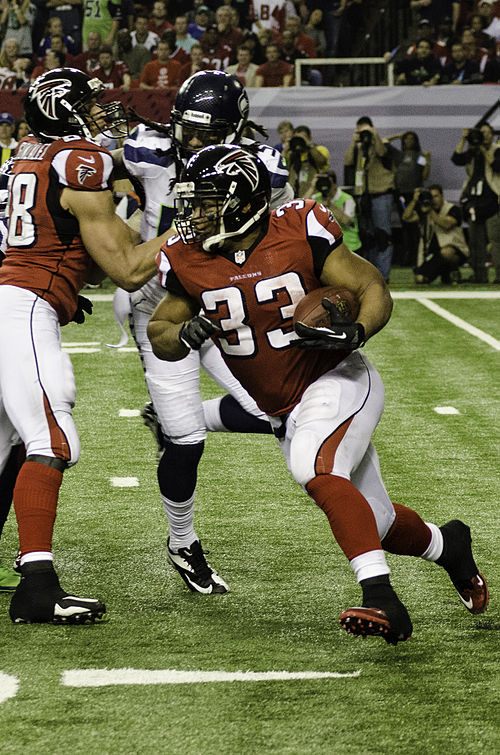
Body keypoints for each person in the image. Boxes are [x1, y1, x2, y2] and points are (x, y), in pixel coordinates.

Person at [147, 143, 489, 645]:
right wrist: (182, 335)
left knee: (313, 465)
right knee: (377, 521)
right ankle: (449, 545)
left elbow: (373, 287)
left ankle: (382, 599)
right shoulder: (187, 258)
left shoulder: (299, 228)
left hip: (339, 378)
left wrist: (357, 331)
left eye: (206, 200)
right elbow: (160, 331)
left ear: (241, 199)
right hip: (285, 407)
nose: (193, 212)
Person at [0, 67, 171, 624]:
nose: (101, 112)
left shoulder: (27, 151)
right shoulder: (77, 159)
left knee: (6, 448)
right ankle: (38, 586)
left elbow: (64, 237)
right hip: (23, 308)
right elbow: (124, 267)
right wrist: (191, 226)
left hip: (17, 299)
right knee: (52, 439)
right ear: (64, 110)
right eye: (90, 104)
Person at [118, 70, 292, 594]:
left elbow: (280, 229)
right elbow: (92, 168)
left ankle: (175, 420)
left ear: (235, 129)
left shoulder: (264, 167)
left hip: (222, 300)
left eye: (205, 134)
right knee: (185, 441)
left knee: (277, 412)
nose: (190, 142)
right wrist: (123, 195)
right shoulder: (146, 152)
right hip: (159, 306)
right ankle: (182, 540)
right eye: (185, 131)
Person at [344, 116, 395, 282]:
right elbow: (348, 161)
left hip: (381, 194)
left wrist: (374, 136)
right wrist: (355, 141)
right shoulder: (359, 148)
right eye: (361, 130)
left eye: (366, 130)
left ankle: (383, 276)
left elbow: (382, 153)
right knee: (368, 236)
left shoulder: (382, 143)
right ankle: (371, 275)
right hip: (363, 196)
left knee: (383, 235)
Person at [451, 123, 500, 283]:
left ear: (492, 135)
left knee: (495, 240)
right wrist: (464, 139)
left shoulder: (496, 149)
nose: (484, 136)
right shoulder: (472, 151)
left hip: (493, 201)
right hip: (474, 201)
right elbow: (456, 159)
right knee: (475, 241)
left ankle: (499, 276)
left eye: (487, 133)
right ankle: (479, 275)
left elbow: (497, 166)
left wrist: (484, 149)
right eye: (481, 133)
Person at [402, 184, 469, 284]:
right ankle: (446, 275)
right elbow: (406, 217)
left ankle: (452, 270)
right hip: (434, 254)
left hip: (456, 251)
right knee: (419, 279)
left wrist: (430, 211)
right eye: (431, 197)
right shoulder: (425, 210)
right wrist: (415, 200)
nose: (433, 200)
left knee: (446, 252)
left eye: (436, 196)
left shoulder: (452, 209)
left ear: (442, 196)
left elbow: (446, 224)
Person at [385, 130, 431, 267]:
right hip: (401, 195)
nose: (409, 141)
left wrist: (428, 161)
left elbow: (425, 176)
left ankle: (417, 258)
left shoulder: (419, 156)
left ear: (416, 142)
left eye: (412, 139)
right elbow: (384, 142)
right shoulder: (398, 155)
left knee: (415, 227)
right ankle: (407, 258)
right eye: (406, 139)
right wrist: (397, 136)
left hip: (415, 194)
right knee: (405, 225)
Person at [304, 169, 362, 253]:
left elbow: (347, 221)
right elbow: (301, 206)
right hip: (327, 246)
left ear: (334, 184)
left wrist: (330, 205)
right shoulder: (316, 198)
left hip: (349, 247)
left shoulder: (347, 199)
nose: (325, 185)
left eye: (327, 182)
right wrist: (312, 188)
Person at [284, 125, 329, 197]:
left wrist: (309, 145)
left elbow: (322, 162)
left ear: (310, 138)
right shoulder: (292, 154)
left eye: (303, 138)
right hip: (294, 197)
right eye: (298, 138)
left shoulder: (320, 149)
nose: (300, 141)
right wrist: (286, 149)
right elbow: (281, 166)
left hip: (314, 196)